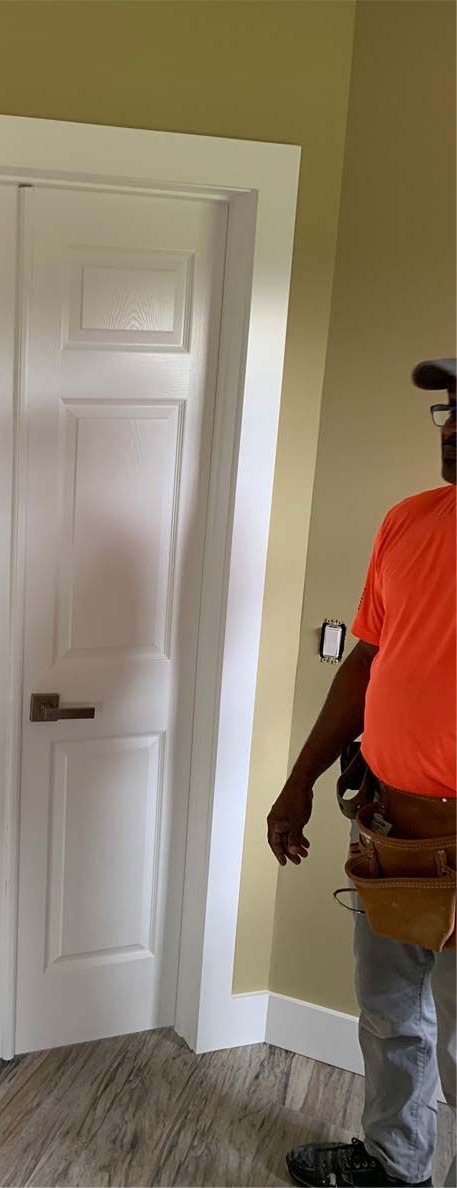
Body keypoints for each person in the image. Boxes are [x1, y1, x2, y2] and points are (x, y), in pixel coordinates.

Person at [267, 357, 457, 1188]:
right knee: (388, 1017)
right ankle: (393, 1163)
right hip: (387, 828)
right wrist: (297, 781)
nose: (450, 428)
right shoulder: (409, 522)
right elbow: (366, 661)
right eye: (449, 410)